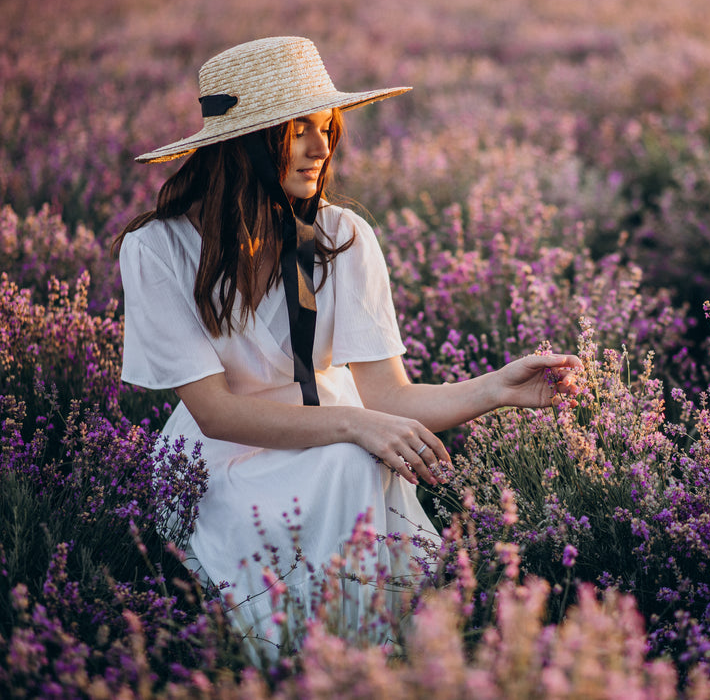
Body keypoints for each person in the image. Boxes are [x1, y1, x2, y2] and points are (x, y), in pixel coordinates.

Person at [114, 36, 580, 653]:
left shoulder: (344, 235)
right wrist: (354, 426)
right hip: (217, 462)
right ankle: (342, 655)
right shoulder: (157, 250)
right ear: (245, 143)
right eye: (297, 129)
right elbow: (215, 412)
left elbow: (387, 396)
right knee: (355, 456)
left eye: (327, 125)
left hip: (339, 441)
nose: (321, 146)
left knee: (355, 459)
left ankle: (358, 657)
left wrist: (497, 387)